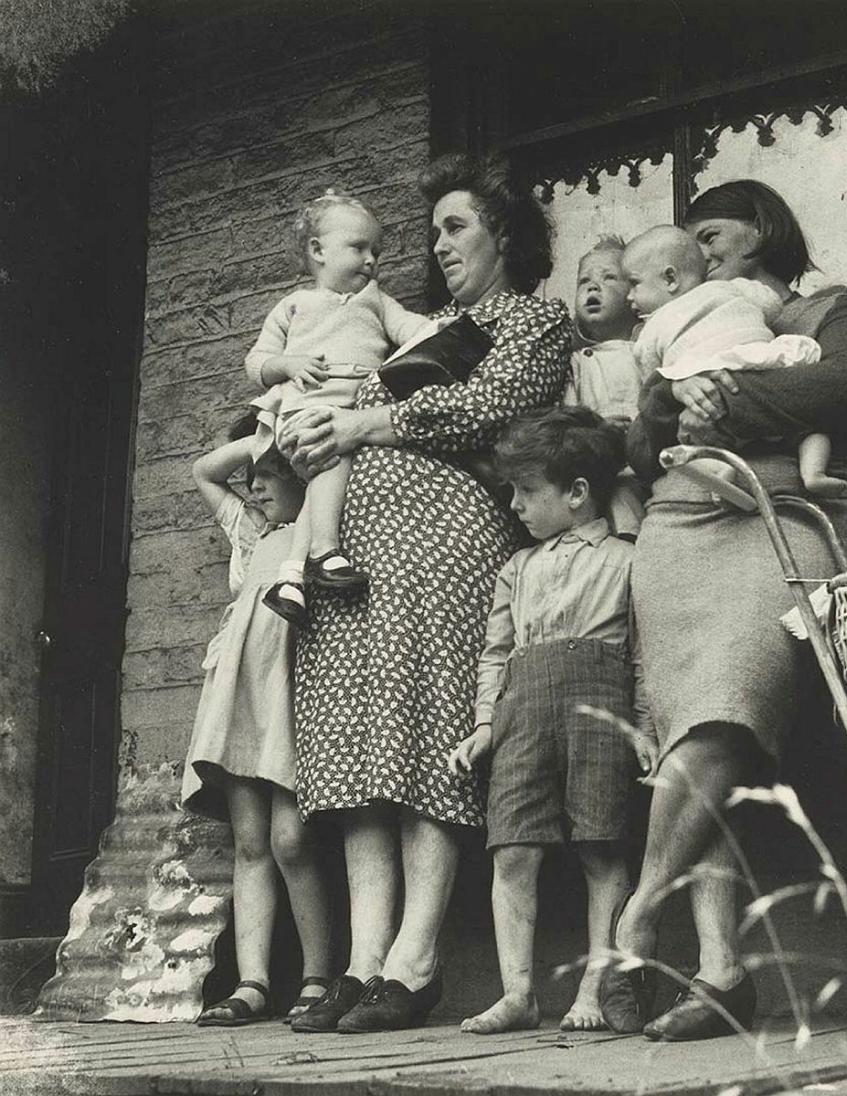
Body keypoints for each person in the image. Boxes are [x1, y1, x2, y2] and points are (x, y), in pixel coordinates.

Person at [281, 152, 571, 1035]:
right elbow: (340, 402)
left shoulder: (532, 319)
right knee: (361, 741)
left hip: (447, 540)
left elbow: (496, 407)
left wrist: (366, 422)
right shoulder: (420, 328)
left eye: (456, 226)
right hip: (356, 551)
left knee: (425, 728)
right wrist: (309, 428)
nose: (439, 245)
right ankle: (364, 959)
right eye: (434, 230)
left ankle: (417, 956)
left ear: (504, 234)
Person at [600, 179, 847, 1041]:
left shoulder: (828, 310)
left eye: (711, 233)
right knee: (690, 726)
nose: (696, 252)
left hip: (788, 515)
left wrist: (722, 399)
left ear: (760, 230)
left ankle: (638, 913)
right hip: (681, 526)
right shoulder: (676, 326)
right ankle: (721, 972)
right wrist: (670, 401)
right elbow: (641, 445)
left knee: (731, 702)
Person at [448, 407, 657, 1035]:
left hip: (600, 709)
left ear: (577, 492)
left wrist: (644, 726)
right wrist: (485, 724)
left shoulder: (626, 560)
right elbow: (496, 653)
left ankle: (595, 985)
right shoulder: (518, 568)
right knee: (513, 848)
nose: (514, 505)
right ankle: (518, 992)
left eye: (526, 490)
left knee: (601, 844)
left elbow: (644, 653)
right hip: (522, 712)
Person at [182, 416, 332, 1026]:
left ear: (303, 477)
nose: (257, 486)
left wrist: (288, 443)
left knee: (291, 840)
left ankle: (319, 975)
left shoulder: (319, 530)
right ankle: (253, 982)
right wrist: (261, 438)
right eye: (252, 477)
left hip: (290, 689)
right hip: (243, 694)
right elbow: (203, 471)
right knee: (250, 842)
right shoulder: (251, 531)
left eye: (271, 474)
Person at [245, 190, 427, 625]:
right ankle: (325, 551)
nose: (371, 260)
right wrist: (288, 364)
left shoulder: (377, 300)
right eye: (359, 247)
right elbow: (256, 362)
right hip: (306, 410)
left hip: (352, 410)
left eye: (376, 251)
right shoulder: (295, 305)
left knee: (328, 475)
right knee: (332, 454)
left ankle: (291, 577)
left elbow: (413, 330)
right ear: (318, 251)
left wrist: (441, 329)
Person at [622, 225, 844, 498]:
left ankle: (721, 470)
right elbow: (772, 304)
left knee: (687, 443)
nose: (629, 296)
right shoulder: (731, 288)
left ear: (670, 278)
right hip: (761, 362)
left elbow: (653, 380)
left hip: (708, 386)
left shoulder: (651, 328)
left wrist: (670, 386)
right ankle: (813, 471)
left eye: (633, 284)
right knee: (810, 427)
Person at [563, 237, 650, 538]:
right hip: (603, 470)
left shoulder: (646, 348)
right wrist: (596, 432)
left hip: (648, 461)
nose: (592, 287)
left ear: (633, 293)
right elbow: (568, 420)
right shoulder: (575, 363)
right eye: (583, 281)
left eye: (609, 277)